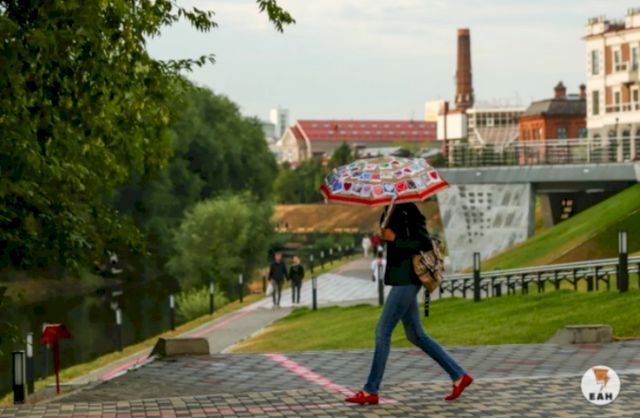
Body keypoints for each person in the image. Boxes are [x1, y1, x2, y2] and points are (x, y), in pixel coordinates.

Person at [346, 202, 473, 405]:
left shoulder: (408, 209)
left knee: (382, 331)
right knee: (415, 334)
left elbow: (423, 243)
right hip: (400, 279)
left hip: (408, 279)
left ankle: (371, 389)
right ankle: (459, 375)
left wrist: (394, 239)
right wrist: (385, 236)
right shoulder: (390, 208)